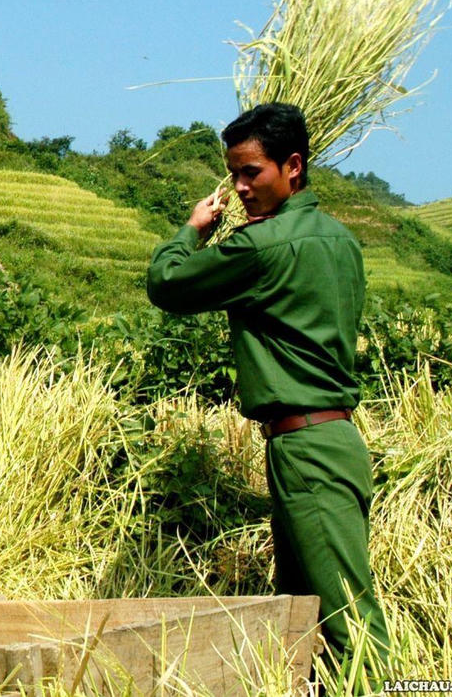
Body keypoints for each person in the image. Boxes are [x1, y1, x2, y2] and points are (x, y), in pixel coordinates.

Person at [146, 103, 389, 667]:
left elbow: (168, 284)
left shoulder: (262, 247)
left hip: (305, 447)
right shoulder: (340, 240)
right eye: (233, 174)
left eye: (251, 172)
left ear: (293, 167)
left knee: (348, 617)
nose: (239, 187)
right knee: (306, 611)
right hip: (336, 443)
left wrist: (193, 230)